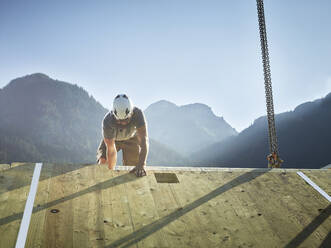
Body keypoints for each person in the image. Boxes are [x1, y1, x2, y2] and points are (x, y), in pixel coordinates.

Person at [96, 94, 148, 177]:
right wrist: (109, 173)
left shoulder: (138, 114)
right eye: (119, 121)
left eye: (126, 120)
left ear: (131, 113)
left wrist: (142, 164)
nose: (123, 123)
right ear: (114, 115)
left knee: (135, 169)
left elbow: (144, 141)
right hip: (114, 139)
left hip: (132, 139)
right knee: (103, 163)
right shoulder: (108, 120)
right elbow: (111, 149)